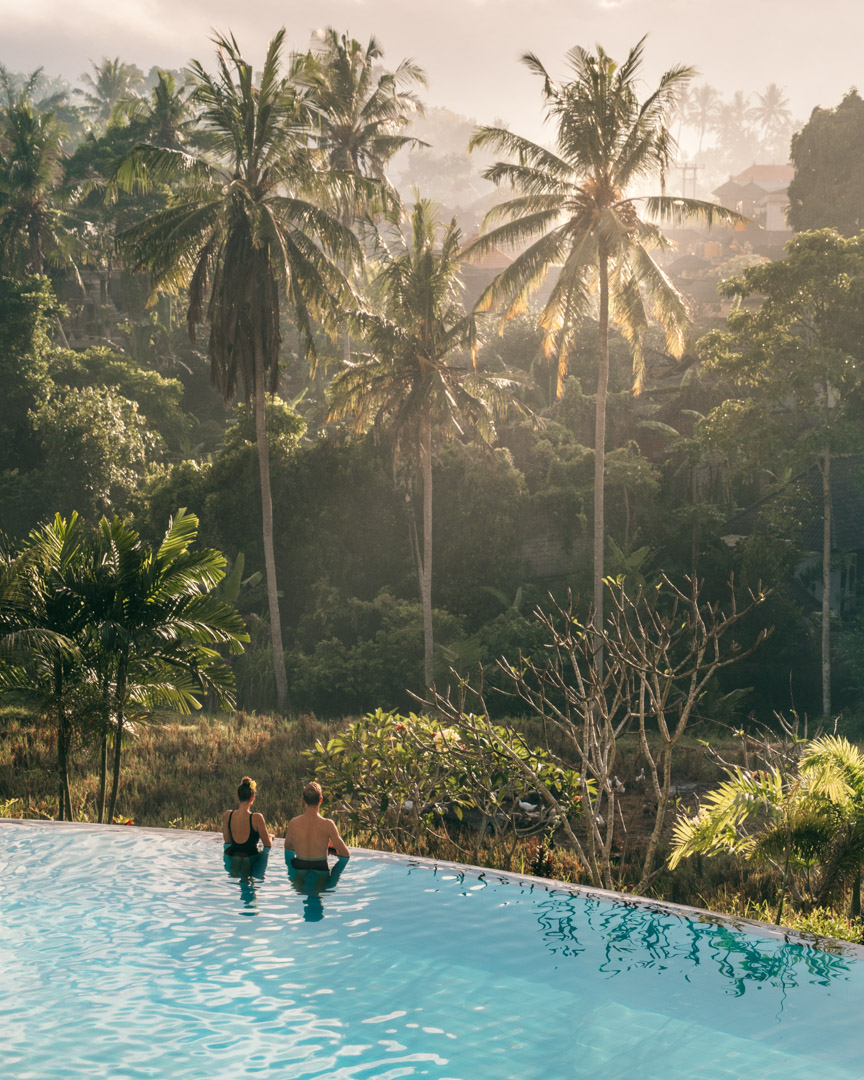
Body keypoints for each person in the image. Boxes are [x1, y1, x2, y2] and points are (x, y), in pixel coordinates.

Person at [284, 780, 350, 872]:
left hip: (299, 866)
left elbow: (288, 847)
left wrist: (302, 843)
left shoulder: (293, 823)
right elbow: (345, 854)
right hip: (320, 868)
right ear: (321, 800)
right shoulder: (328, 824)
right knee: (325, 884)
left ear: (303, 800)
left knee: (299, 886)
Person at [222, 776, 272, 857]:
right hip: (250, 860)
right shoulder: (257, 818)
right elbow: (267, 845)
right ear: (252, 798)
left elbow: (227, 841)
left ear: (238, 796)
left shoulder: (228, 815)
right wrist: (271, 837)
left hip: (232, 857)